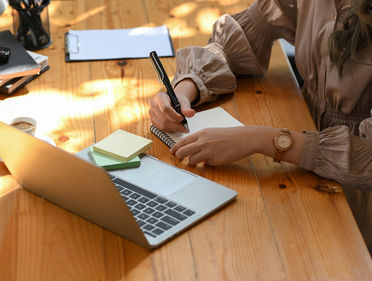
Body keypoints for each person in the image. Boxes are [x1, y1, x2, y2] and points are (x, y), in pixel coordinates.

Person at [149, 0, 372, 252]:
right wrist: (185, 88)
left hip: (357, 197)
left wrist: (261, 140)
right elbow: (243, 35)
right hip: (300, 166)